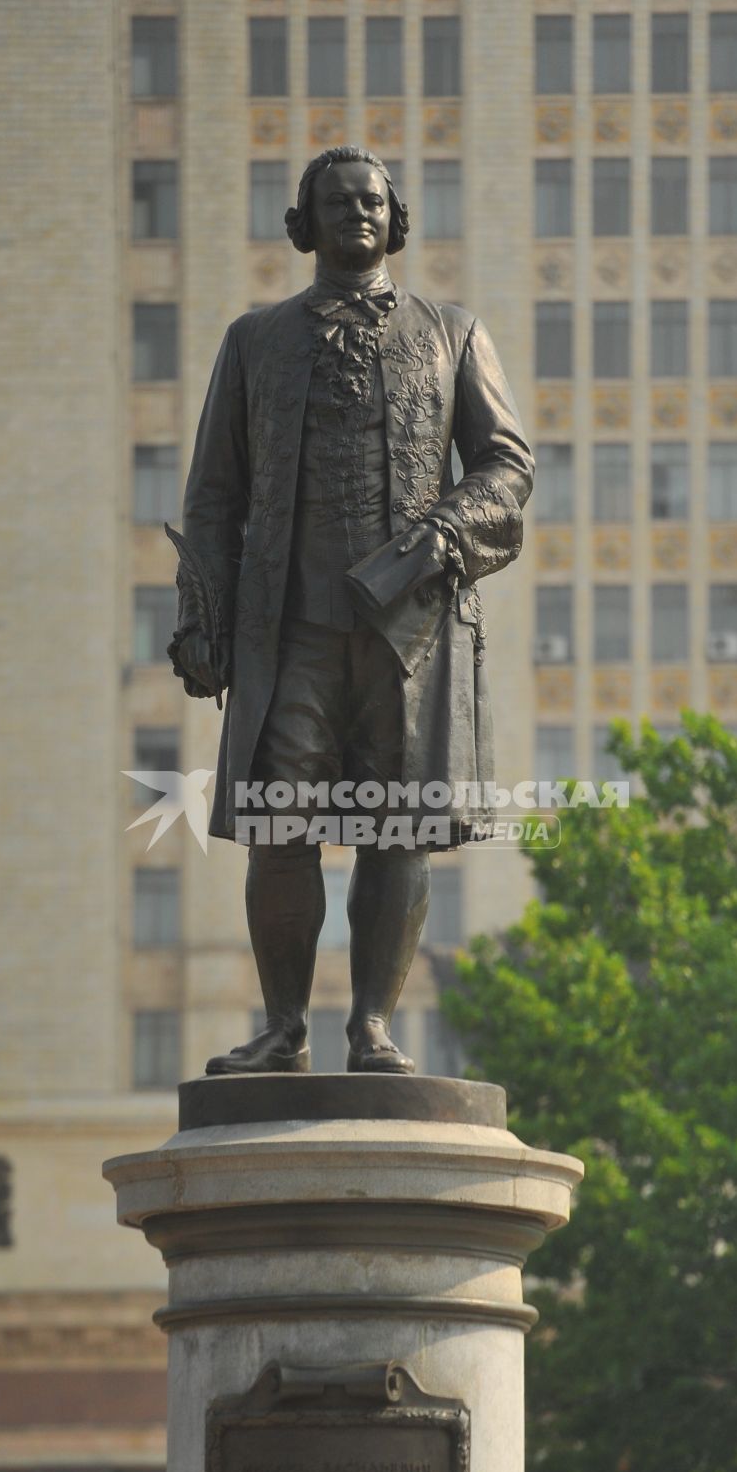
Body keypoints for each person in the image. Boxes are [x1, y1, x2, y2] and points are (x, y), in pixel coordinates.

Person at [168, 145, 532, 1075]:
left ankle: (371, 1026)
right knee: (279, 831)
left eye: (373, 200)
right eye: (337, 202)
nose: (358, 213)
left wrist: (439, 538)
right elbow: (213, 497)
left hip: (407, 631)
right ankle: (283, 1029)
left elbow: (506, 466)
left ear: (395, 217)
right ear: (306, 222)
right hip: (287, 630)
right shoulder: (254, 341)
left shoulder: (452, 332)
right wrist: (201, 618)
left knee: (398, 827)